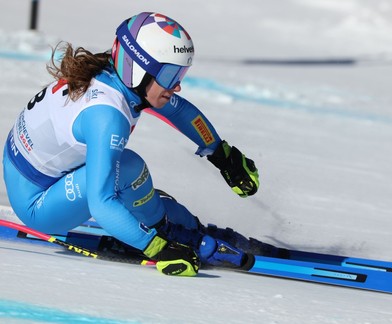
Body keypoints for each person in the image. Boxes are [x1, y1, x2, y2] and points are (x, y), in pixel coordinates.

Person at [2, 12, 267, 277]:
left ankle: (190, 231)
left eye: (180, 74)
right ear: (139, 68)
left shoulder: (120, 78)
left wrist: (222, 154)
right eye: (171, 75)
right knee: (129, 170)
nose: (177, 87)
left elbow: (180, 112)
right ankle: (168, 234)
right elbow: (100, 203)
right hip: (37, 205)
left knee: (144, 194)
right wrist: (157, 249)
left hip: (33, 174)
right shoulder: (108, 116)